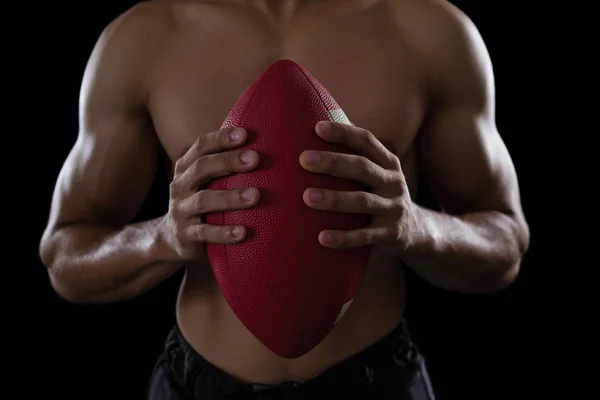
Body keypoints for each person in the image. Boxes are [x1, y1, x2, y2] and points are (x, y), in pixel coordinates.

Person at [39, 0, 530, 398]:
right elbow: (65, 255)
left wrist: (420, 228)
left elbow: (505, 241)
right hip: (197, 385)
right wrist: (162, 238)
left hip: (376, 382)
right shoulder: (145, 36)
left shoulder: (427, 29)